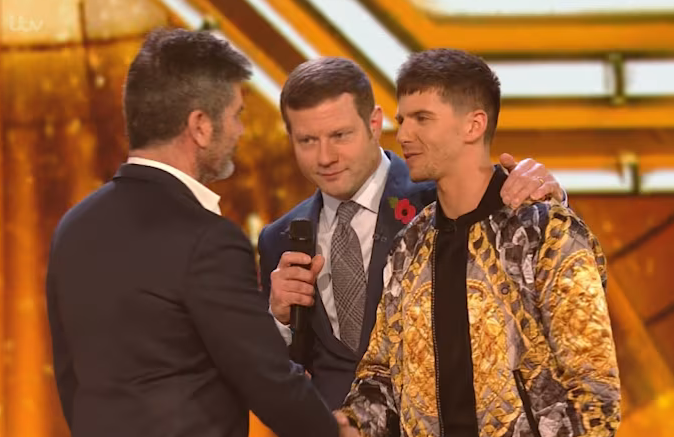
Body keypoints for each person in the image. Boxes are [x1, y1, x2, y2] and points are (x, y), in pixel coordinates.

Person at [45, 28, 350, 437]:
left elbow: (72, 381)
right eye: (236, 114)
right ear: (201, 126)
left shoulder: (73, 227)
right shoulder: (209, 240)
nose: (240, 131)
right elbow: (267, 379)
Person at [338, 49, 621, 436]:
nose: (403, 134)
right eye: (403, 120)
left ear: (473, 126)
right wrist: (347, 424)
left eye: (422, 118)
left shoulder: (545, 232)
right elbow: (382, 373)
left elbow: (594, 394)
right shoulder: (410, 247)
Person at [257, 56, 567, 411]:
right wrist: (277, 319)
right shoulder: (278, 238)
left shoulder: (441, 195)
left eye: (340, 135)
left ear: (374, 123)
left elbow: (545, 290)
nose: (325, 157)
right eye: (308, 140)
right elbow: (277, 374)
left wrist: (550, 198)